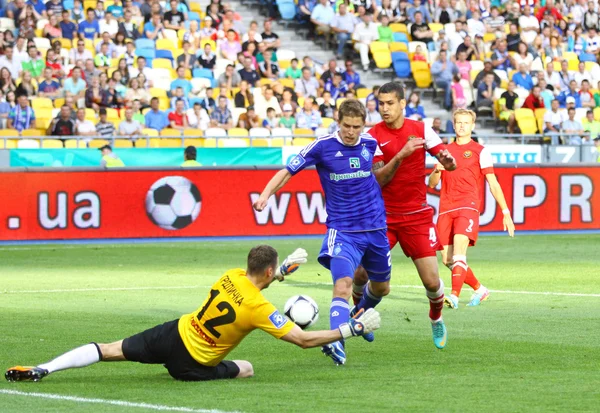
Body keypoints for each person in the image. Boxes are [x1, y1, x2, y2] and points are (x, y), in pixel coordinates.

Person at [6, 245, 380, 383]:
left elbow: (252, 285)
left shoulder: (230, 276)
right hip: (191, 365)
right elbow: (301, 340)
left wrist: (282, 273)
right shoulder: (259, 309)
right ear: (267, 272)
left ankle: (45, 368)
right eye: (275, 270)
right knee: (247, 367)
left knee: (108, 349)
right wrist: (352, 327)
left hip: (173, 333)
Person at [254, 101, 390, 366]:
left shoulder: (371, 143)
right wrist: (266, 194)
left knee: (382, 287)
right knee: (343, 286)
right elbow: (287, 171)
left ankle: (354, 316)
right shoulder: (322, 146)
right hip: (342, 231)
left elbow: (378, 175)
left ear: (363, 125)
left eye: (356, 127)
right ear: (338, 121)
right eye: (346, 126)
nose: (351, 132)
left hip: (376, 228)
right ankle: (335, 342)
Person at [351, 82, 456, 350]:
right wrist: (401, 155)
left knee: (432, 282)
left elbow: (442, 153)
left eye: (389, 103)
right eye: (380, 103)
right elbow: (378, 179)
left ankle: (436, 318)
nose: (383, 109)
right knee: (363, 274)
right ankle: (359, 313)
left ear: (402, 104)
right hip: (381, 218)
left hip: (417, 217)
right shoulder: (372, 136)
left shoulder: (420, 129)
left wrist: (447, 160)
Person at [428, 109, 514, 309]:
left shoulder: (480, 151)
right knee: (447, 259)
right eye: (458, 122)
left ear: (472, 126)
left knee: (459, 252)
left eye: (466, 123)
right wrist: (436, 170)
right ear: (454, 124)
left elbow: (493, 183)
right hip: (446, 208)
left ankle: (454, 296)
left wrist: (506, 212)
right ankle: (480, 289)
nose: (462, 126)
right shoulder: (444, 151)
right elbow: (432, 184)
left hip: (468, 205)